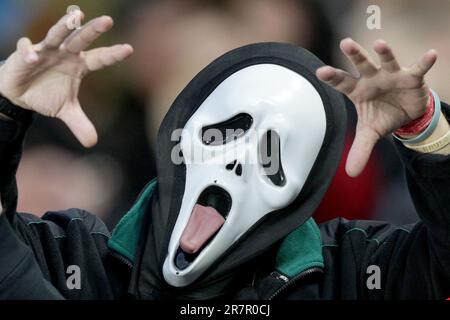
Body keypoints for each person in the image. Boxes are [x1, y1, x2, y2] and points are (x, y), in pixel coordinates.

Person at [0, 12, 449, 299]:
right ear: (180, 133)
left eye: (272, 156)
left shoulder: (352, 275)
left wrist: (426, 131)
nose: (236, 163)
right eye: (226, 132)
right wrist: (6, 110)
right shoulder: (73, 260)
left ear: (304, 191)